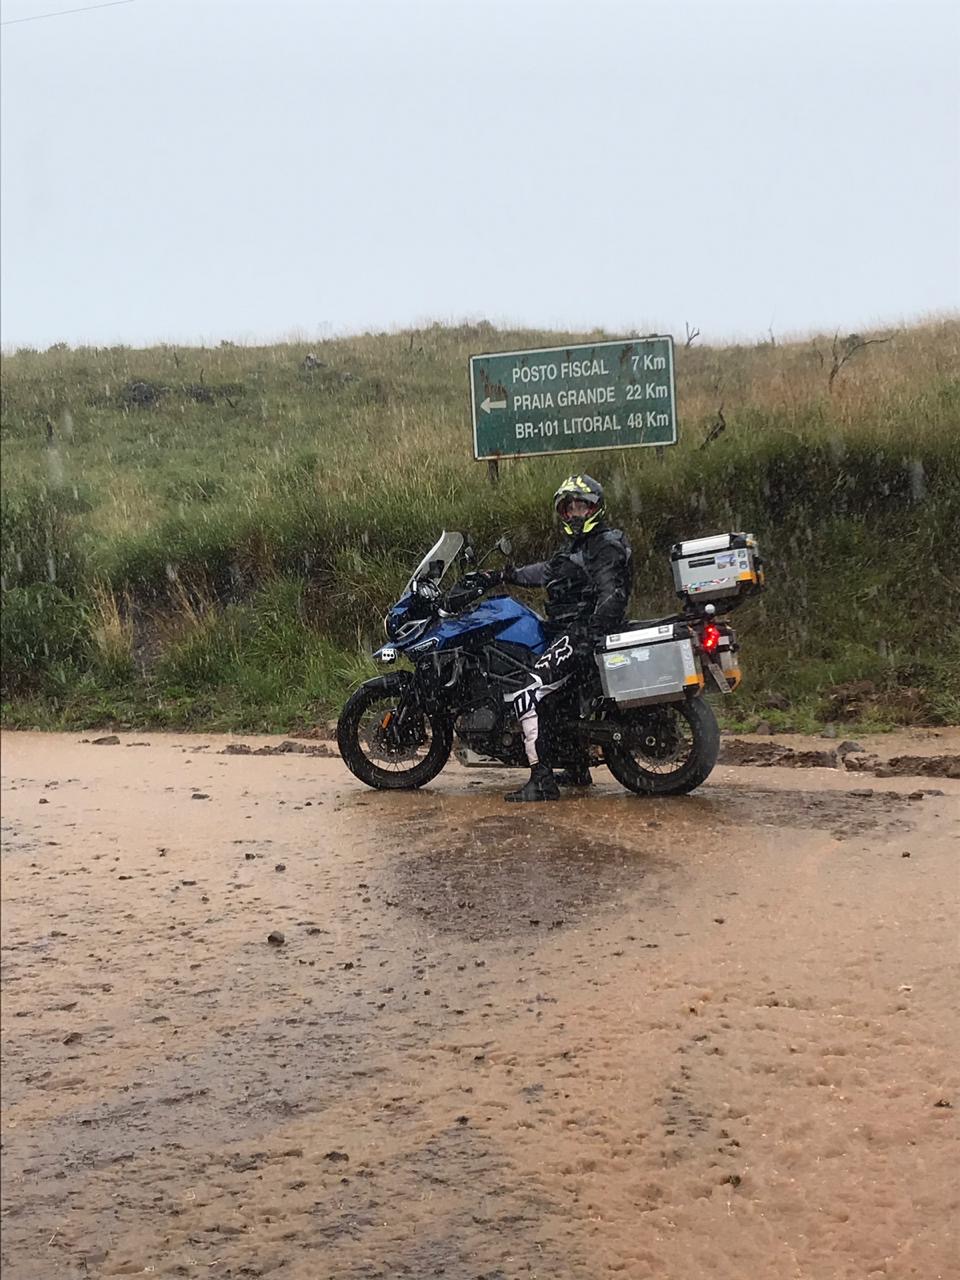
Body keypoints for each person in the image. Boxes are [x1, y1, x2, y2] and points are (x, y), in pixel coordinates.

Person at [478, 474, 633, 802]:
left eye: (582, 506)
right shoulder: (580, 547)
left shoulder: (604, 545)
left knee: (528, 692)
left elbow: (612, 593)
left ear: (596, 509)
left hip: (582, 633)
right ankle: (576, 765)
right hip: (574, 629)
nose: (575, 514)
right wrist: (505, 575)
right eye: (569, 508)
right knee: (559, 698)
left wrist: (591, 632)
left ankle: (541, 781)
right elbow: (547, 571)